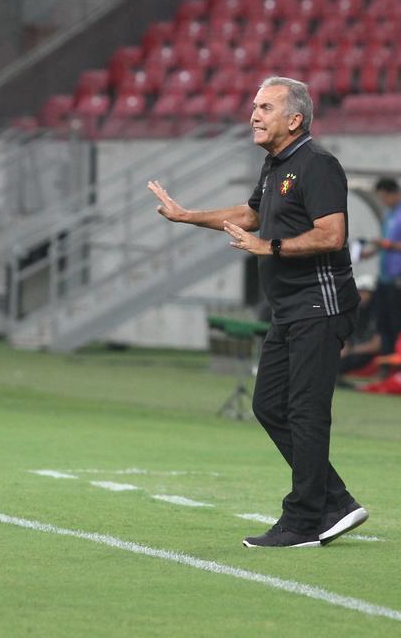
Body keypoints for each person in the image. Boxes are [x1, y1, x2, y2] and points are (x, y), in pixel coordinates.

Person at [147, 76, 366, 549]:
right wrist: (188, 216)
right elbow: (251, 215)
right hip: (289, 309)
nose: (254, 115)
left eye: (266, 107)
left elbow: (332, 235)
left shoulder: (318, 165)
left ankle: (305, 520)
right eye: (254, 106)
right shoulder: (275, 165)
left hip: (319, 304)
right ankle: (336, 501)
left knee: (306, 412)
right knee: (268, 405)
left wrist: (270, 247)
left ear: (295, 119)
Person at [359, 177, 401, 356]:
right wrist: (370, 252)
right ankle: (385, 362)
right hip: (386, 276)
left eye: (384, 197)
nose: (383, 201)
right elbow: (387, 244)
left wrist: (387, 244)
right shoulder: (390, 214)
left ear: (394, 194)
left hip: (400, 278)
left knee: (398, 324)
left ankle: (400, 365)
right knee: (382, 323)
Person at [338, 275, 382, 379]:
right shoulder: (350, 312)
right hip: (349, 351)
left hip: (365, 355)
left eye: (366, 292)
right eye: (360, 291)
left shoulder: (377, 315)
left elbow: (376, 345)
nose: (362, 295)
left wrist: (351, 350)